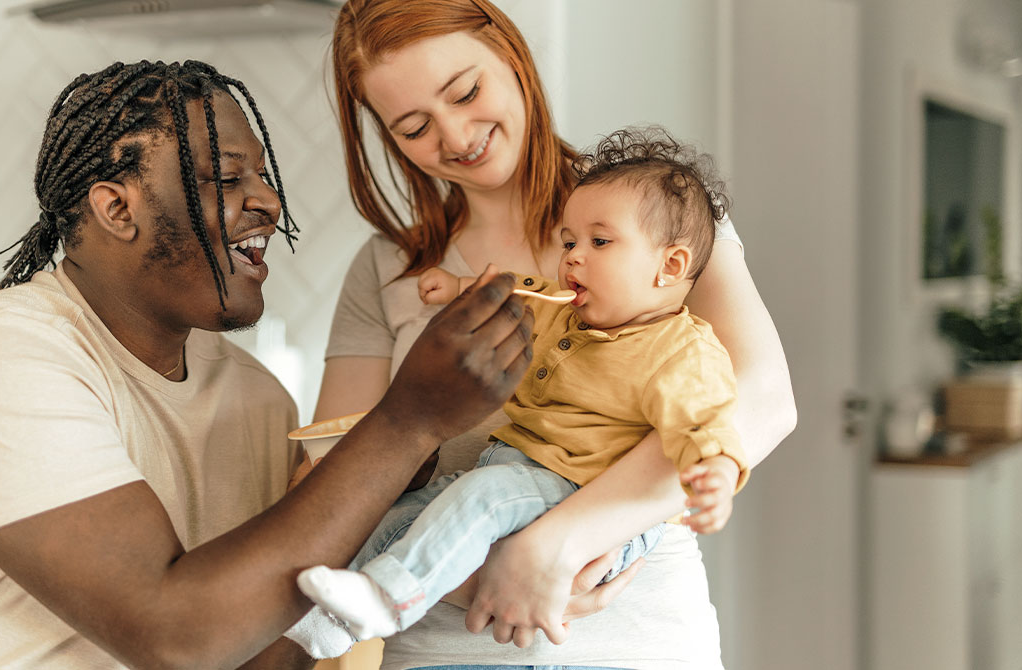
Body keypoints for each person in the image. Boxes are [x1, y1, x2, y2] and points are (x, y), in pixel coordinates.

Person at [0, 59, 538, 670]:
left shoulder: (257, 400)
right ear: (117, 208)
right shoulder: (2, 355)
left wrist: (385, 479)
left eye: (263, 175)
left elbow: (259, 652)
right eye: (226, 178)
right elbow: (173, 639)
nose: (268, 200)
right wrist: (404, 424)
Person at [303, 1, 797, 667]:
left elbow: (761, 399)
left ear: (512, 55)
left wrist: (553, 548)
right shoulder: (390, 268)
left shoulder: (653, 216)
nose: (455, 136)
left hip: (639, 640)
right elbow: (335, 483)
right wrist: (479, 578)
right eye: (414, 126)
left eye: (466, 91)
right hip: (450, 650)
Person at [293, 128, 749, 652]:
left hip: (580, 492)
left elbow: (705, 418)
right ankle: (334, 622)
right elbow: (518, 295)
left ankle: (388, 600)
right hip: (517, 475)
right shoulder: (565, 311)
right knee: (403, 510)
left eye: (600, 242)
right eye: (569, 242)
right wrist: (458, 290)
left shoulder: (682, 349)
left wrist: (716, 468)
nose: (574, 257)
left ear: (670, 265)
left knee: (481, 496)